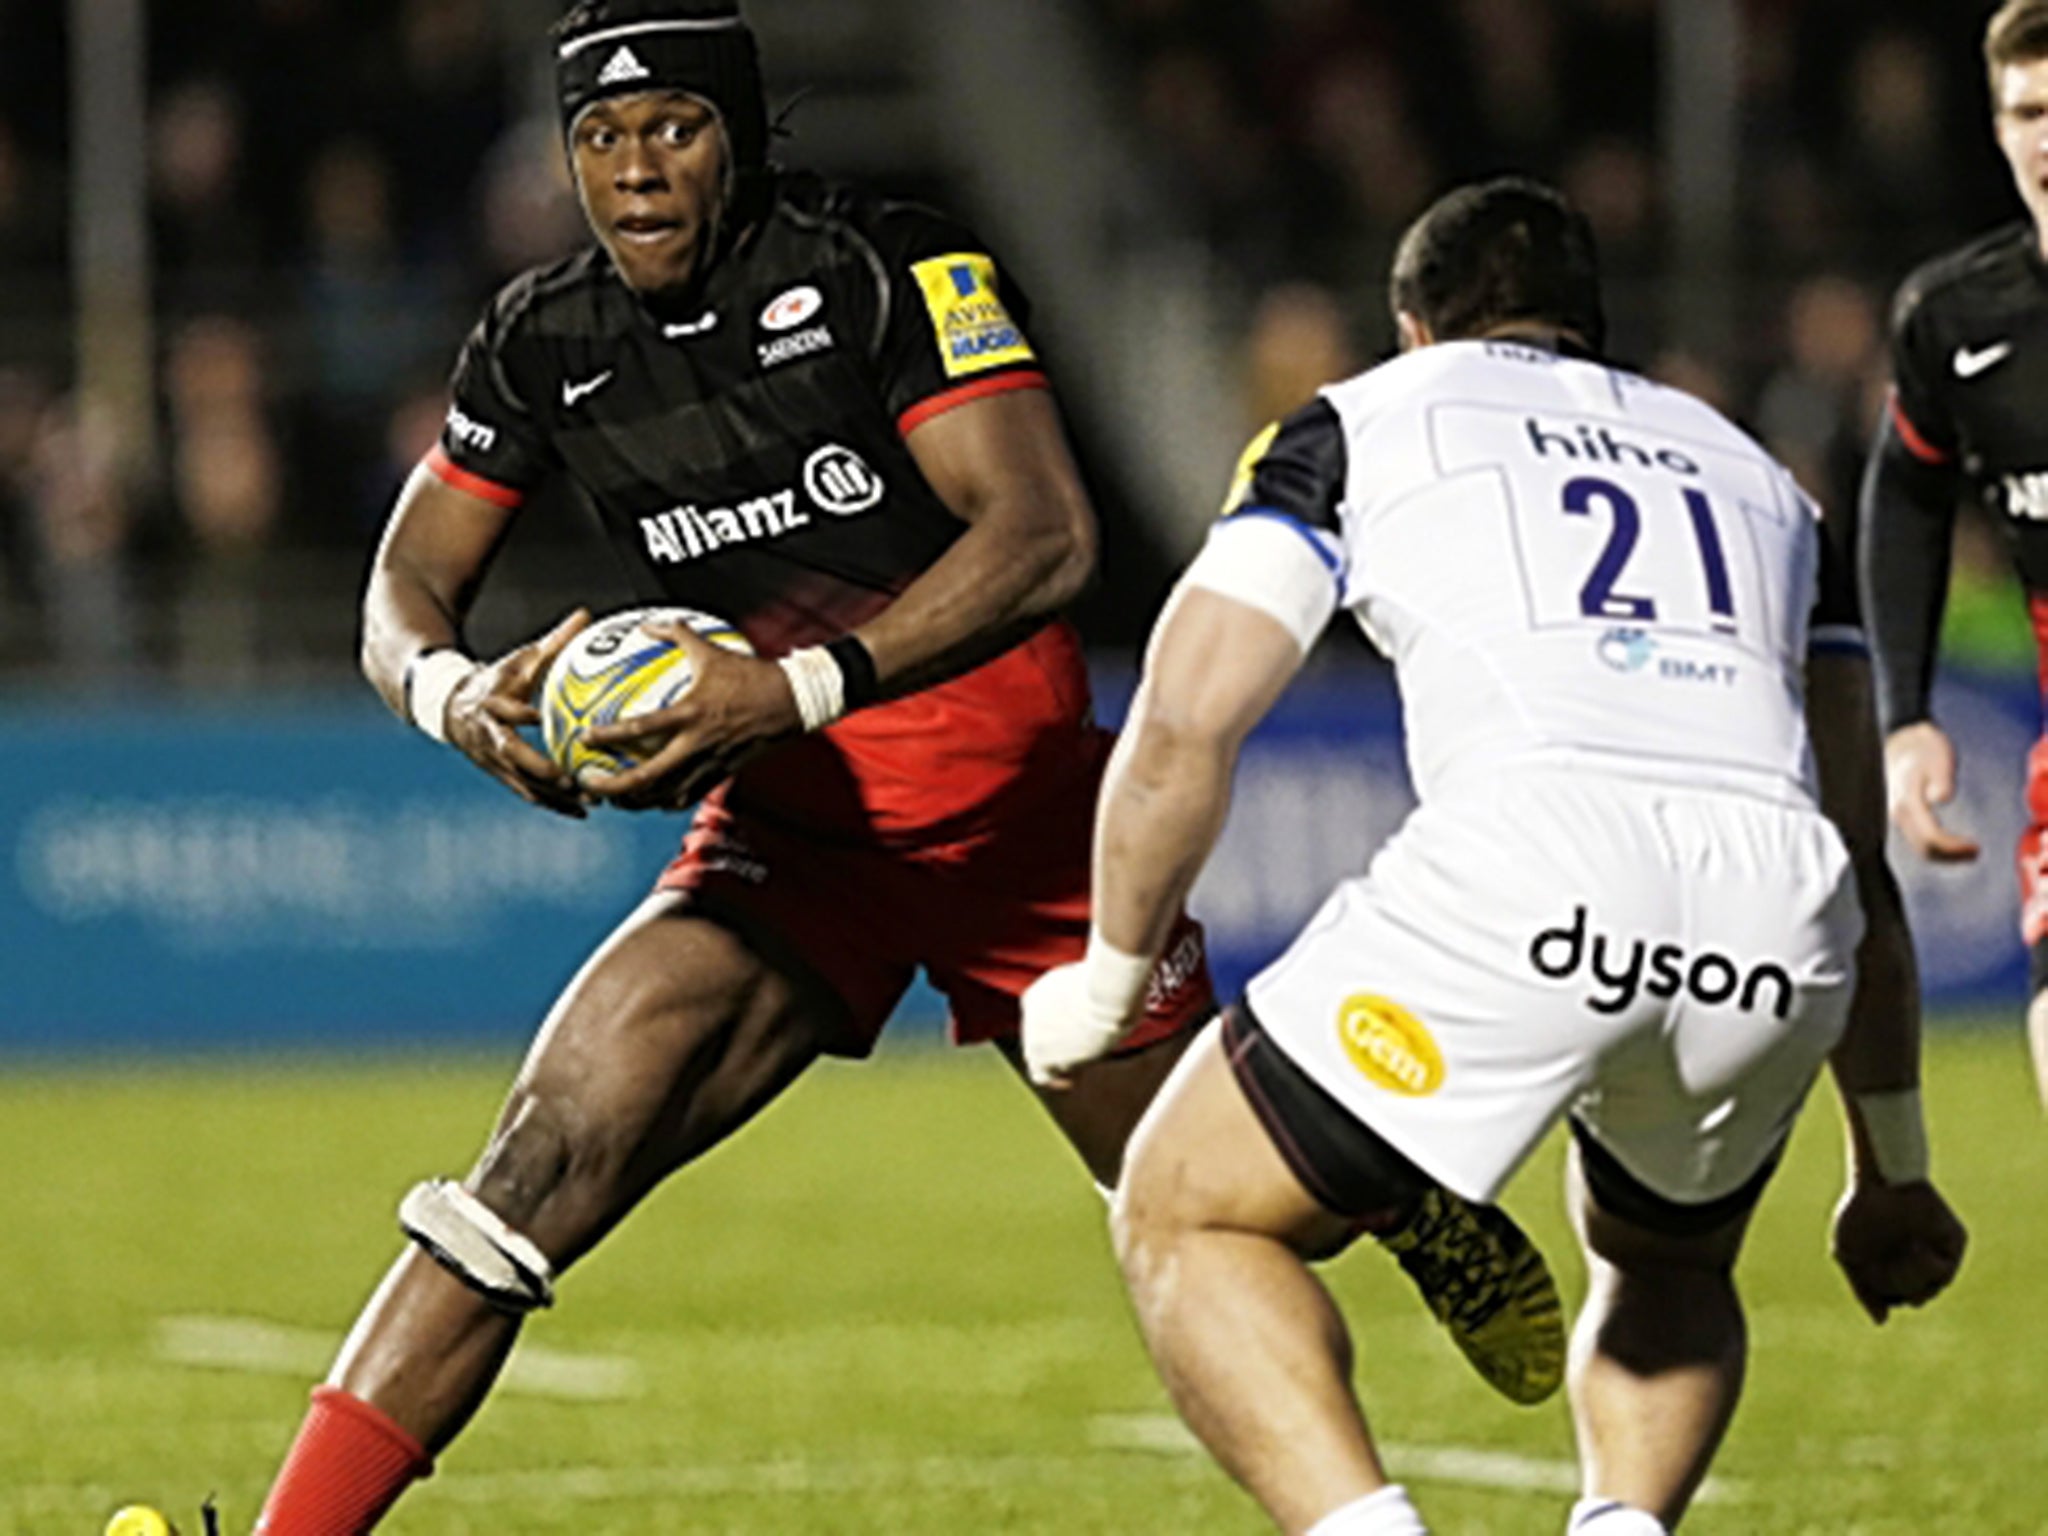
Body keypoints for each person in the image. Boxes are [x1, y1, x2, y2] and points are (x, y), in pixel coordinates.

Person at [250, 5, 1558, 1530]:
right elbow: (401, 590)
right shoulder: (546, 341)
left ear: (738, 136)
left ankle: (1395, 1193)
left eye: (671, 127)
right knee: (537, 1164)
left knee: (1240, 1213)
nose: (636, 172)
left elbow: (1045, 532)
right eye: (599, 139)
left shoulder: (883, 270)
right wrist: (457, 699)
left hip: (1027, 838)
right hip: (801, 846)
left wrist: (797, 685)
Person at [1024, 178, 1969, 1535]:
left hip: (1541, 859)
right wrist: (1893, 1163)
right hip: (1778, 907)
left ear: (1414, 327)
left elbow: (1186, 721)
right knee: (1666, 1260)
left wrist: (1111, 982)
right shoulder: (1761, 475)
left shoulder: (1358, 422)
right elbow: (1858, 855)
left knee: (1189, 1214)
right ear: (1594, 332)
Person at [1862, 0, 2048, 1111]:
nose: (2045, 139)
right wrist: (1901, 715)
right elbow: (1904, 493)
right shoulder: (1954, 320)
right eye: (2025, 111)